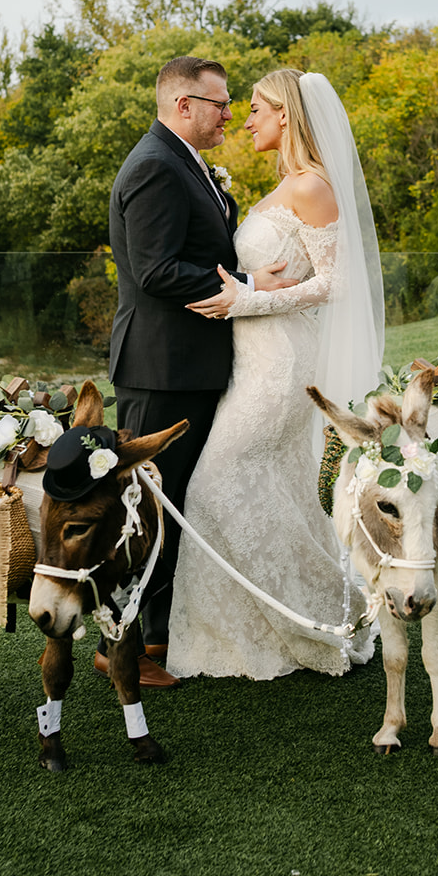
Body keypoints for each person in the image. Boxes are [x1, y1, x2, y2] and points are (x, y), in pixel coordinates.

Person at [165, 68, 384, 680]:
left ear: (286, 115)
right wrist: (245, 296)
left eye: (257, 108)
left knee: (218, 482)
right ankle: (255, 629)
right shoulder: (287, 182)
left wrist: (246, 301)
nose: (246, 119)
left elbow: (338, 283)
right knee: (276, 490)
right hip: (252, 358)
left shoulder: (313, 185)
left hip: (284, 364)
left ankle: (306, 620)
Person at [105, 55, 291, 687]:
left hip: (189, 366)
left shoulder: (182, 162)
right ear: (184, 105)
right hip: (162, 370)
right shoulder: (157, 167)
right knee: (149, 509)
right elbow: (154, 271)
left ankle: (156, 635)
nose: (229, 114)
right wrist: (245, 283)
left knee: (176, 502)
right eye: (221, 103)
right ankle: (118, 645)